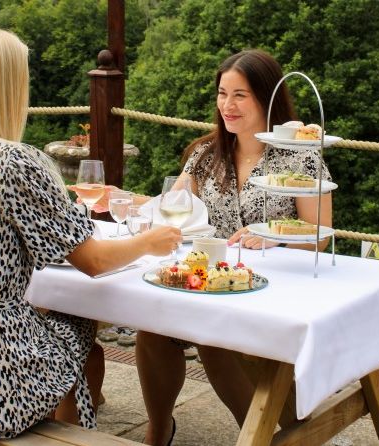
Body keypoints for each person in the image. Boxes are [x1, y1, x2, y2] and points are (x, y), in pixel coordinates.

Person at [0, 24, 181, 446]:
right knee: (75, 315)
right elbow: (92, 261)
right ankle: (71, 428)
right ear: (3, 85)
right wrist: (149, 242)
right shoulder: (13, 163)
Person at [135, 49, 332, 445]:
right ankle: (159, 430)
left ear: (266, 97)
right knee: (152, 329)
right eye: (223, 93)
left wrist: (277, 235)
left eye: (240, 95)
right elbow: (170, 208)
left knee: (213, 337)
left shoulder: (299, 157)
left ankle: (256, 435)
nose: (228, 105)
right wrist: (127, 204)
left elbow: (321, 232)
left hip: (277, 286)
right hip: (214, 280)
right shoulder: (205, 155)